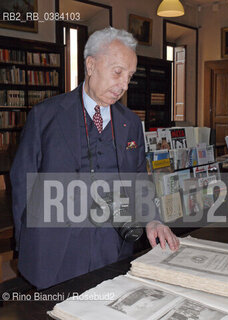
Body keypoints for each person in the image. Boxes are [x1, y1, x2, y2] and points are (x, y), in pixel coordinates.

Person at [10, 27, 179, 289]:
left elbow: (138, 178)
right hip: (54, 247)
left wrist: (153, 218)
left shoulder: (131, 123)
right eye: (118, 72)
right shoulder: (45, 116)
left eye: (130, 76)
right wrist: (27, 241)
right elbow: (22, 181)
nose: (124, 85)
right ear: (91, 65)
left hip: (111, 244)